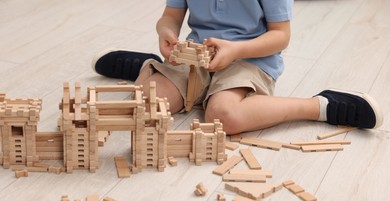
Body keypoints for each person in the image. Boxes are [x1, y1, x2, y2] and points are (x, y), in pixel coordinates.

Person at [91, 0, 383, 135]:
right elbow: (170, 16)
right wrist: (166, 33)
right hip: (197, 55)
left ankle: (320, 106)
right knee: (145, 105)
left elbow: (281, 35)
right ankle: (150, 65)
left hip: (250, 57)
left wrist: (237, 50)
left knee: (223, 116)